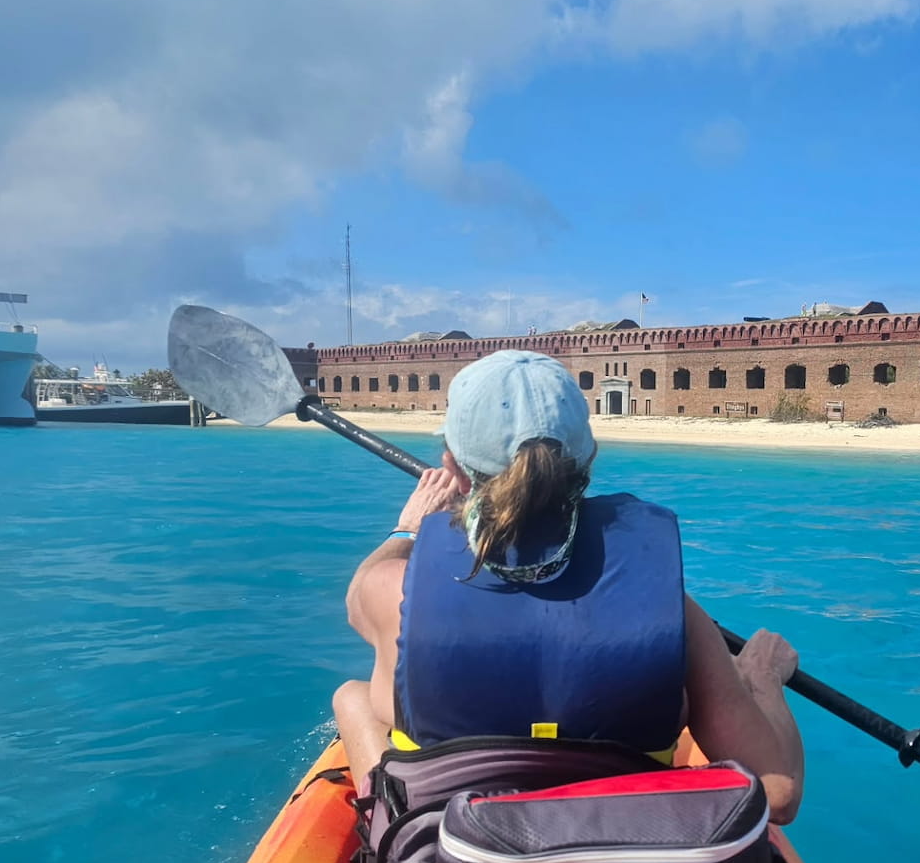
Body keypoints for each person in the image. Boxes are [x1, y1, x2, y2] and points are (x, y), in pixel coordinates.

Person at [333, 350, 804, 823]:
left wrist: (408, 529)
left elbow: (357, 602)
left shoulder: (394, 590)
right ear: (588, 458)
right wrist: (760, 680)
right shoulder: (672, 612)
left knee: (355, 697)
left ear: (452, 466)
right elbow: (777, 795)